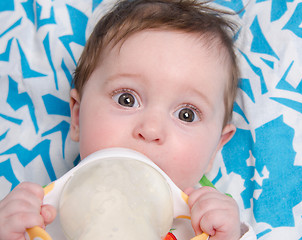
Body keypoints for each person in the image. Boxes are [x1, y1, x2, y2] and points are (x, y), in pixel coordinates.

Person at [0, 0, 256, 239]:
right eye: (126, 99)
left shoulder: (210, 223)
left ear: (216, 148)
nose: (151, 129)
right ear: (77, 116)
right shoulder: (42, 214)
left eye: (186, 115)